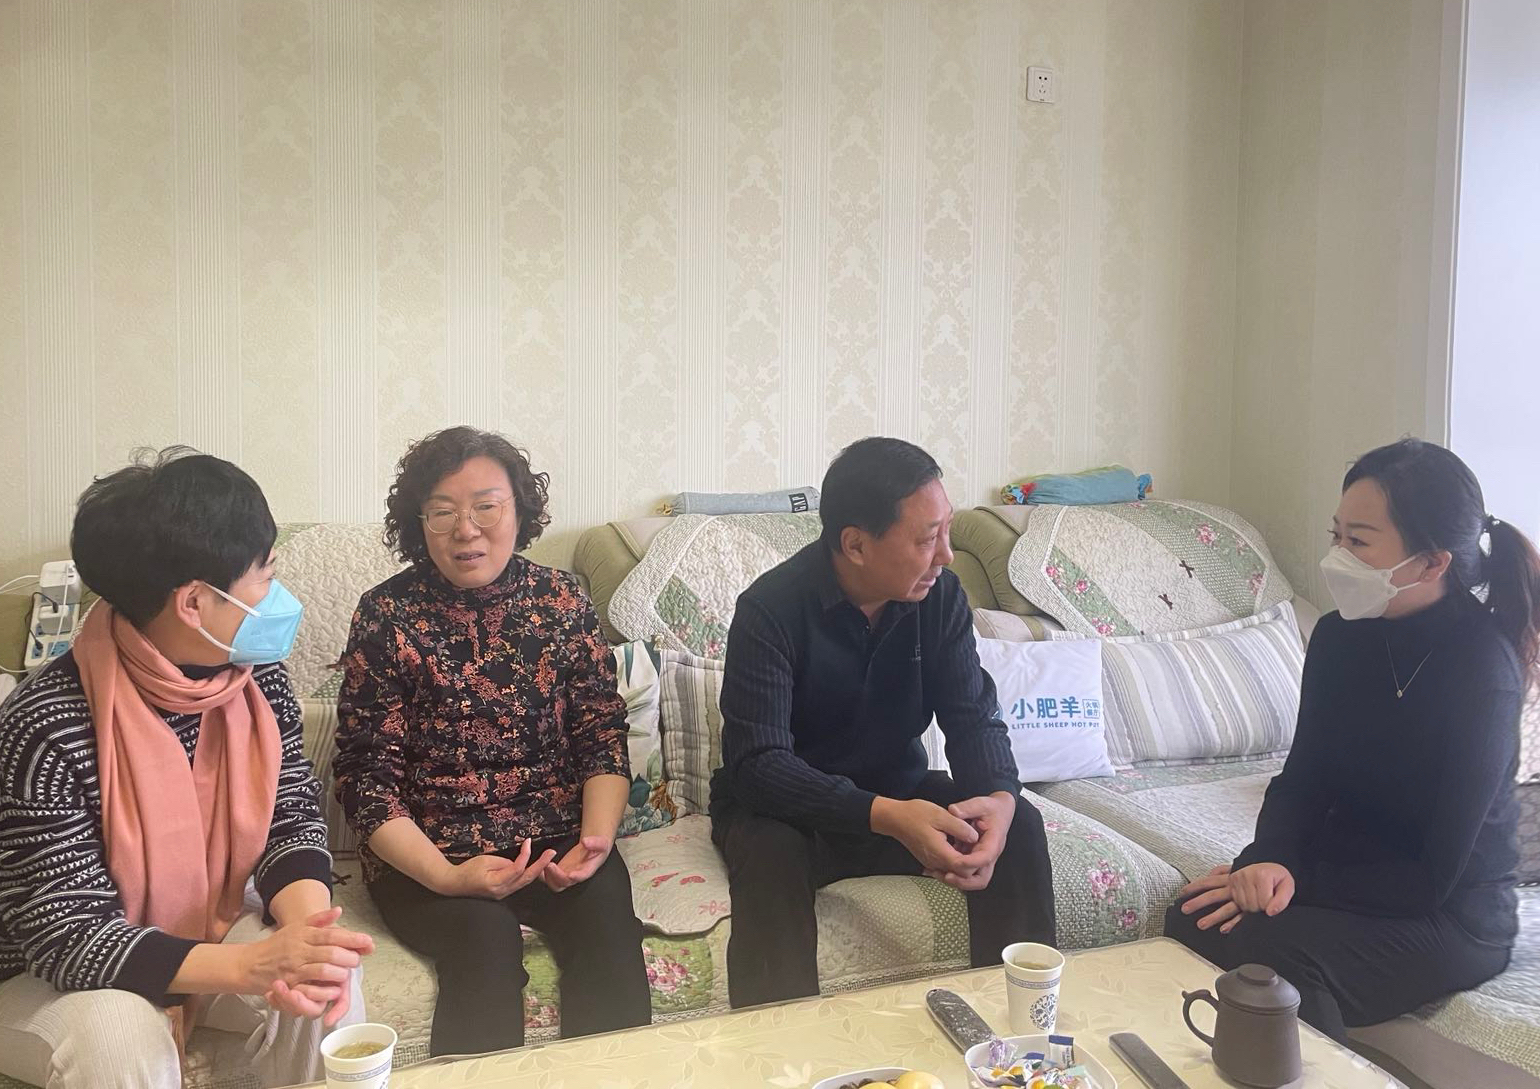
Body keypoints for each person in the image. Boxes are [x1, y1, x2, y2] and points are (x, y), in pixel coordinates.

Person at [0, 449, 371, 1089]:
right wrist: (247, 967)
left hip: (206, 919)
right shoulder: (45, 725)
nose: (276, 596)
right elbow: (65, 933)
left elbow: (290, 817)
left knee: (325, 981)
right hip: (42, 970)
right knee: (120, 1034)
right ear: (195, 602)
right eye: (265, 575)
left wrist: (308, 938)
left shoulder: (256, 680)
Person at [1166, 438, 1534, 1041]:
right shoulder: (1340, 637)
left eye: (1359, 542)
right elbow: (1302, 780)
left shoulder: (1481, 670)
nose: (1337, 556)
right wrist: (1267, 860)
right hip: (1351, 874)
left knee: (1276, 961)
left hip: (1451, 913)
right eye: (1336, 535)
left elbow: (1431, 878)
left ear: (1432, 563)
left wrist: (1295, 882)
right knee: (1192, 920)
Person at [333, 426, 649, 1057]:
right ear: (419, 522)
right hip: (431, 853)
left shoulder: (562, 600)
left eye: (486, 506)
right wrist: (447, 878)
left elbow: (600, 733)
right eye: (443, 512)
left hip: (555, 837)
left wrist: (595, 839)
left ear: (520, 510)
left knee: (610, 936)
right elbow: (366, 776)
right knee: (483, 944)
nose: (466, 530)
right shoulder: (386, 615)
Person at [709, 436, 1057, 1008]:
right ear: (855, 544)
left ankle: (1019, 1029)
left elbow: (972, 716)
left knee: (1017, 827)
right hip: (787, 811)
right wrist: (887, 816)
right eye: (926, 539)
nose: (946, 555)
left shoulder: (940, 598)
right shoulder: (769, 609)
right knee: (770, 855)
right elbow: (759, 766)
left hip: (900, 793)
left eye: (947, 531)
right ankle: (778, 1044)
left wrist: (998, 797)